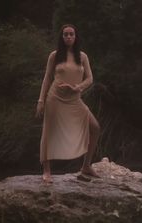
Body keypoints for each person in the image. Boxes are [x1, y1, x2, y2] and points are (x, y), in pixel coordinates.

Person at [35, 24, 101, 183]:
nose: (69, 37)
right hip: (55, 98)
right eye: (65, 34)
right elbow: (47, 78)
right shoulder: (54, 55)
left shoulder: (82, 56)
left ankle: (86, 165)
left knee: (95, 127)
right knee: (49, 132)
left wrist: (77, 87)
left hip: (74, 99)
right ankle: (46, 170)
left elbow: (90, 78)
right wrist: (41, 100)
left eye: (71, 34)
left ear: (76, 36)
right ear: (62, 37)